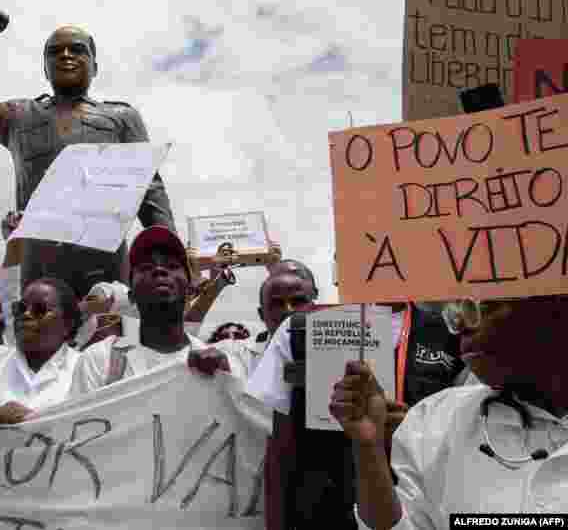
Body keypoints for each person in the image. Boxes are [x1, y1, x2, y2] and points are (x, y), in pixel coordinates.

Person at [0, 9, 175, 298]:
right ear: (45, 69)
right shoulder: (19, 116)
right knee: (41, 338)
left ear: (95, 65)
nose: (65, 55)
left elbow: (150, 193)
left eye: (77, 50)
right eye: (55, 52)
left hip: (107, 270)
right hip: (40, 272)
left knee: (111, 342)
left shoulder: (122, 118)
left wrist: (171, 255)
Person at [331, 295, 568, 526]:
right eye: (456, 310)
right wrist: (368, 449)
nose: (462, 324)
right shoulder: (434, 420)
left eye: (483, 306)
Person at [250, 294, 467, 530]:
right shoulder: (300, 329)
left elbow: (466, 436)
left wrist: (416, 430)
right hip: (323, 509)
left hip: (417, 511)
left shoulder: (451, 335)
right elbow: (278, 445)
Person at [67, 226, 235, 397]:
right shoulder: (98, 361)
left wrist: (226, 383)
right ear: (130, 293)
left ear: (189, 288)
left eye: (172, 265)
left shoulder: (216, 364)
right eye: (146, 267)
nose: (159, 270)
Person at [0, 277, 83, 424]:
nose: (26, 315)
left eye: (40, 310)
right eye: (20, 308)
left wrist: (37, 422)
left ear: (67, 324)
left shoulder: (83, 368)